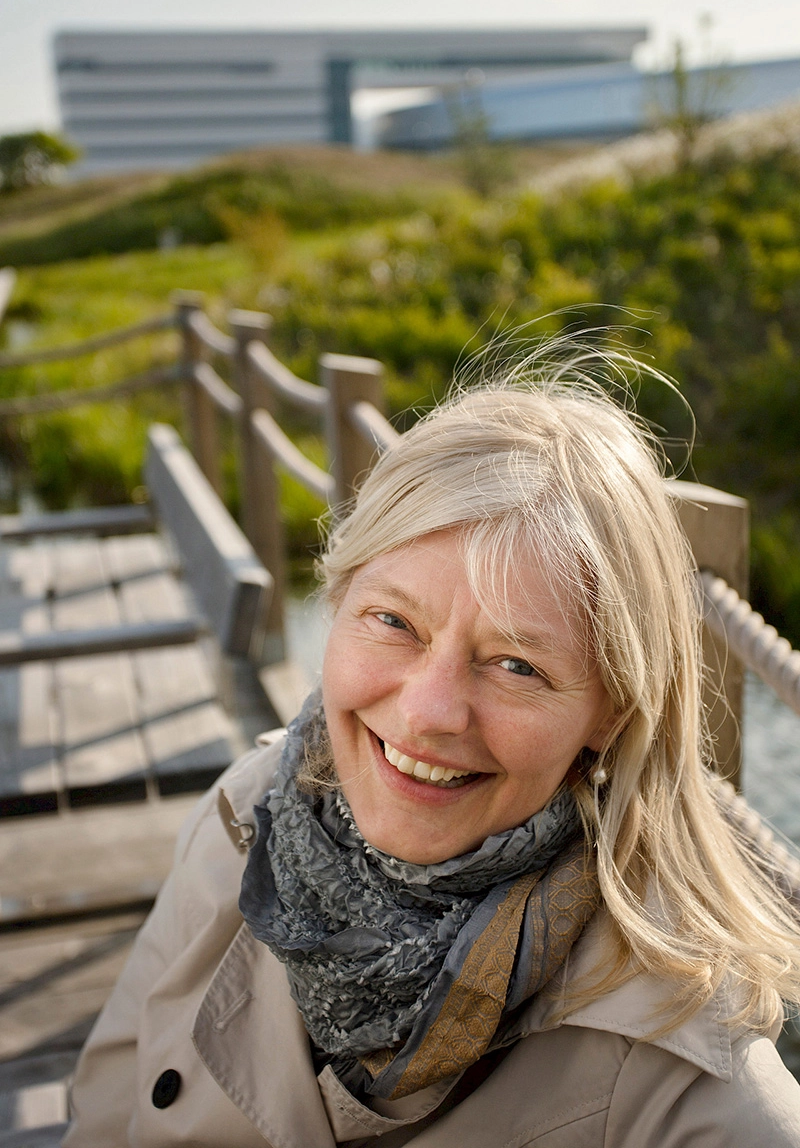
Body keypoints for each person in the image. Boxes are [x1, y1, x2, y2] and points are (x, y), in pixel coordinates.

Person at [64, 360, 800, 1147]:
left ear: (611, 714)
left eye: (518, 666)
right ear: (338, 599)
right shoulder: (242, 818)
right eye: (393, 622)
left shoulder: (695, 1099)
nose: (427, 711)